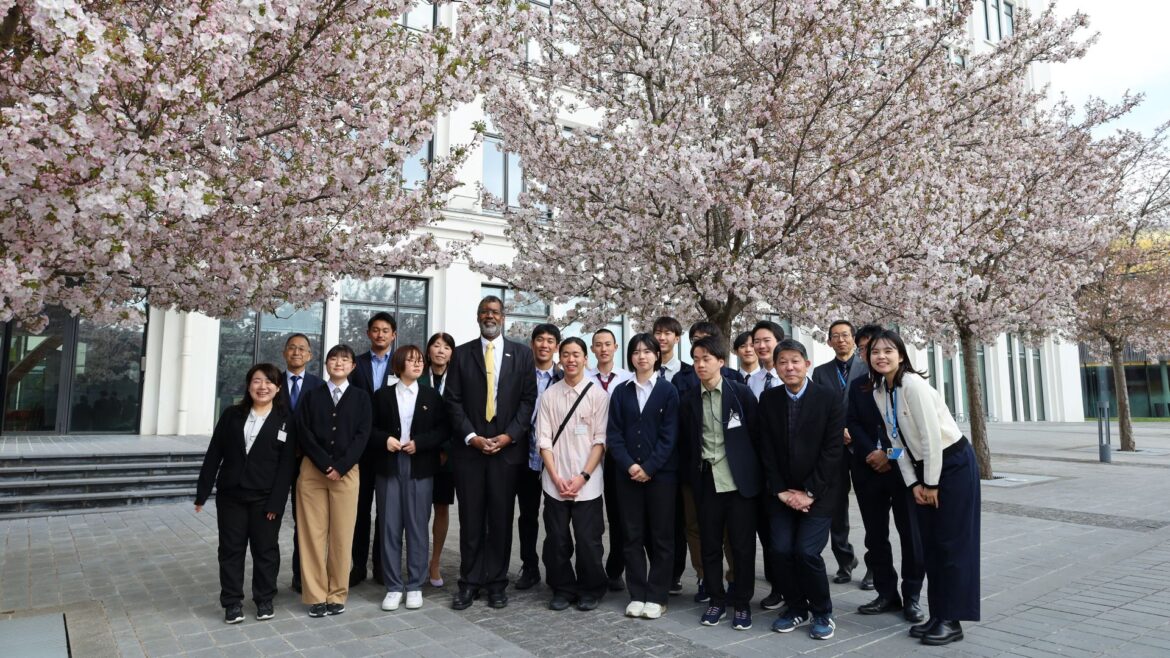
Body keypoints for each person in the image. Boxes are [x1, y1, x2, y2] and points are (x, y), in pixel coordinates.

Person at [868, 329, 980, 646]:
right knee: (931, 545)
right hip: (922, 468)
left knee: (951, 545)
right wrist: (914, 482)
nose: (881, 356)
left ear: (901, 355)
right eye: (875, 352)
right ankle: (938, 613)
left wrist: (930, 482)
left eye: (888, 351)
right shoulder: (880, 391)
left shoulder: (912, 385)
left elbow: (931, 438)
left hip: (951, 464)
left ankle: (952, 620)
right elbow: (895, 442)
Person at [444, 295, 538, 610]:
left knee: (500, 520)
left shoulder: (522, 355)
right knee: (471, 520)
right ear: (477, 316)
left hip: (506, 453)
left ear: (503, 317)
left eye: (495, 312)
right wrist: (471, 437)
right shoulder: (461, 354)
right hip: (470, 452)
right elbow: (452, 400)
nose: (490, 316)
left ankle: (497, 583)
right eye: (485, 311)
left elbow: (528, 400)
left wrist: (509, 436)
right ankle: (469, 583)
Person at [196, 363, 298, 624]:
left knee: (266, 550)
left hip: (265, 498)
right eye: (257, 381)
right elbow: (214, 453)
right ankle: (232, 602)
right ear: (248, 385)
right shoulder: (232, 415)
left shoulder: (286, 419)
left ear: (278, 388)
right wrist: (202, 492)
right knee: (230, 550)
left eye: (269, 382)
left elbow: (286, 465)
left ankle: (264, 598)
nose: (263, 387)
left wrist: (277, 502)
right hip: (231, 496)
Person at [757, 339, 845, 641]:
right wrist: (781, 491)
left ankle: (822, 611)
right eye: (782, 362)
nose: (789, 367)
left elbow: (832, 451)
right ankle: (796, 607)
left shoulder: (829, 398)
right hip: (782, 494)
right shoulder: (769, 399)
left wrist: (809, 492)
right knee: (780, 550)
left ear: (807, 364)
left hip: (819, 493)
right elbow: (765, 449)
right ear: (775, 367)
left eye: (795, 361)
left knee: (806, 552)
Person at [678, 335, 761, 631]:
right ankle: (716, 599)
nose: (700, 365)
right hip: (707, 482)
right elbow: (686, 443)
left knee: (742, 547)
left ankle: (742, 603)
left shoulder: (741, 394)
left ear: (721, 362)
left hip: (739, 484)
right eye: (696, 360)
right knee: (710, 544)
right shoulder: (689, 399)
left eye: (706, 359)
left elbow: (757, 436)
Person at [846, 324, 925, 623]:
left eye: (881, 348)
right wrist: (872, 453)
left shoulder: (908, 385)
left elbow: (914, 434)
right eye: (867, 350)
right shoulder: (858, 386)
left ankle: (912, 596)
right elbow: (853, 422)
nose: (875, 354)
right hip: (868, 469)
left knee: (911, 535)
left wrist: (888, 455)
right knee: (875, 536)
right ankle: (886, 593)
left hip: (903, 471)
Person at [296, 344, 372, 618]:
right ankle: (316, 595)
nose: (338, 363)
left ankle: (337, 593)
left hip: (346, 472)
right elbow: (303, 431)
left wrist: (340, 466)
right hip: (312, 472)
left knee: (342, 535)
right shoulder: (311, 395)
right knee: (312, 535)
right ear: (326, 364)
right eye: (333, 358)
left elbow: (362, 435)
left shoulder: (361, 398)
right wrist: (324, 463)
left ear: (353, 366)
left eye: (344, 359)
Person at [606, 333, 679, 620]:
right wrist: (629, 466)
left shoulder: (668, 391)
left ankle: (658, 595)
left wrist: (649, 467)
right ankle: (637, 593)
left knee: (661, 536)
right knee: (631, 535)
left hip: (661, 477)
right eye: (636, 352)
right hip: (627, 476)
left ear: (657, 356)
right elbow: (614, 434)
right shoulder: (621, 391)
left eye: (647, 351)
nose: (642, 356)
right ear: (630, 357)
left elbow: (669, 435)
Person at [371, 345, 449, 612]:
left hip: (420, 466)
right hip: (389, 466)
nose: (417, 364)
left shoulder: (431, 396)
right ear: (398, 364)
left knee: (417, 527)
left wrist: (421, 443)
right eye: (411, 360)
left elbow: (443, 430)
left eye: (419, 361)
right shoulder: (382, 396)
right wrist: (385, 440)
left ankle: (415, 585)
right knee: (389, 527)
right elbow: (369, 428)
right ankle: (393, 586)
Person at [536, 337, 611, 611]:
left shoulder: (598, 395)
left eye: (576, 354)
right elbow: (543, 440)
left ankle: (591, 588)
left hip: (587, 483)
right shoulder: (549, 395)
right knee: (556, 539)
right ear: (560, 358)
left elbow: (600, 441)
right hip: (555, 482)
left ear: (585, 359)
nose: (571, 359)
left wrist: (583, 477)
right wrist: (555, 476)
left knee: (589, 541)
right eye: (566, 354)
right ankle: (562, 588)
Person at [671, 320, 742, 605]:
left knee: (730, 531)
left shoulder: (735, 381)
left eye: (707, 344)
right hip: (695, 468)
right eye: (695, 346)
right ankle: (704, 578)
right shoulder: (682, 381)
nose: (701, 362)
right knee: (695, 526)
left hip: (730, 471)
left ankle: (735, 579)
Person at [810, 321, 862, 587]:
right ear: (829, 341)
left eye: (845, 335)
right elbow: (817, 409)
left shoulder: (868, 367)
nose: (841, 340)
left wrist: (856, 432)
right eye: (835, 336)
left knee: (871, 509)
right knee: (836, 507)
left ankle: (876, 566)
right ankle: (845, 560)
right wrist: (837, 430)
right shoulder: (821, 372)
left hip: (863, 447)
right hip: (834, 448)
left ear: (854, 339)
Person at [349, 311, 398, 587]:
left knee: (386, 511)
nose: (380, 334)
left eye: (385, 330)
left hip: (390, 446)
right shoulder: (355, 364)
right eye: (375, 330)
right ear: (368, 333)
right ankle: (357, 566)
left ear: (393, 335)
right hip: (362, 448)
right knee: (360, 509)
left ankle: (381, 565)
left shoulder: (400, 364)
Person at [515, 323, 563, 591]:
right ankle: (529, 565)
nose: (545, 345)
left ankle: (557, 569)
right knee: (527, 515)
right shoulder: (519, 374)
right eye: (540, 340)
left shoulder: (563, 376)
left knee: (555, 517)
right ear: (532, 343)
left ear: (557, 346)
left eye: (550, 341)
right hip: (525, 455)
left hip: (556, 456)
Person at [587, 328, 634, 592]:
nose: (603, 349)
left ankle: (615, 570)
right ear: (592, 349)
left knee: (619, 516)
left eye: (608, 344)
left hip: (617, 456)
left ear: (616, 347)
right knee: (590, 516)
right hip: (588, 455)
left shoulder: (627, 378)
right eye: (598, 344)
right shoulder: (583, 377)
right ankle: (590, 568)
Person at [279, 333, 325, 595]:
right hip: (276, 462)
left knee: (305, 523)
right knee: (269, 519)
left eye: (302, 349)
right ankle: (267, 578)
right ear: (284, 353)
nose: (296, 352)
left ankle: (301, 575)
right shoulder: (272, 382)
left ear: (310, 355)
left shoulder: (319, 386)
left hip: (307, 462)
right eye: (292, 348)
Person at [422, 332, 457, 588]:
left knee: (441, 507)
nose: (441, 350)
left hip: (448, 454)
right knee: (419, 510)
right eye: (436, 345)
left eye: (446, 347)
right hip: (421, 452)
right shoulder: (418, 376)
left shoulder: (457, 380)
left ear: (452, 353)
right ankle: (418, 558)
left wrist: (446, 448)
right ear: (428, 350)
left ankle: (435, 562)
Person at [747, 320, 785, 399]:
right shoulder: (752, 380)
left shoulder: (793, 376)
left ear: (779, 343)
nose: (761, 346)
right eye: (757, 341)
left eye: (767, 340)